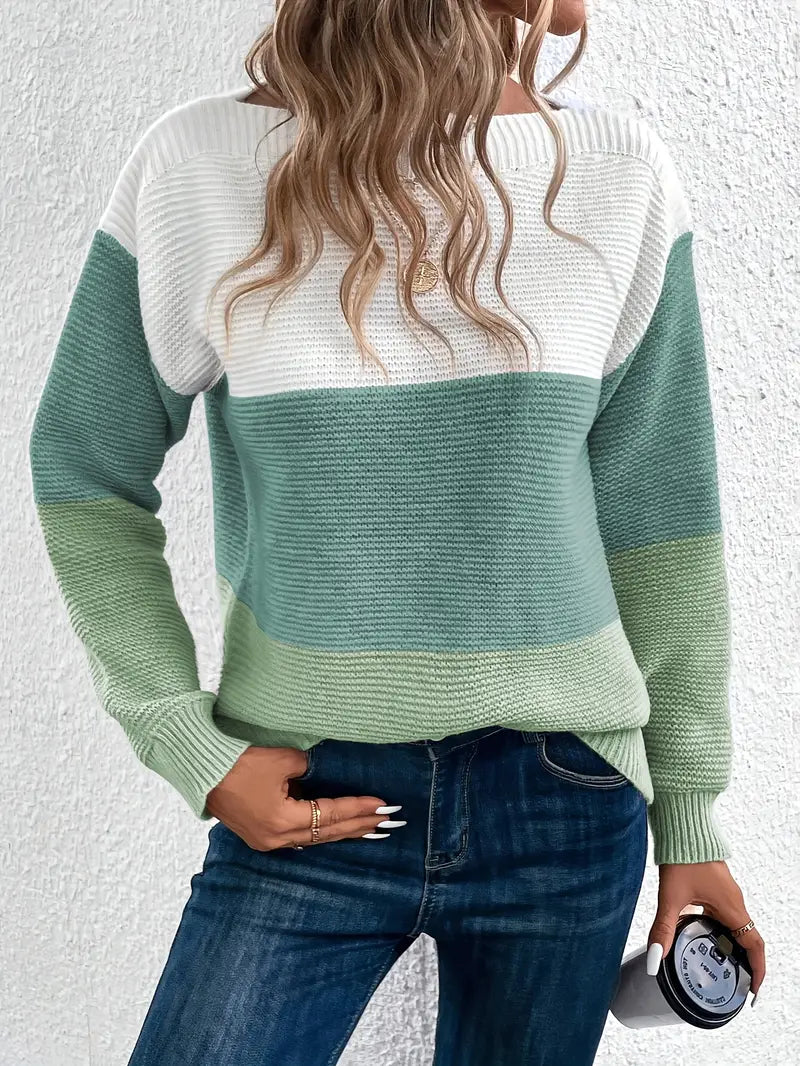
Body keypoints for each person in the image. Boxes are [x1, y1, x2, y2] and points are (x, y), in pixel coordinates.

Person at [28, 0, 766, 1062]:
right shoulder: (202, 165)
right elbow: (84, 467)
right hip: (305, 795)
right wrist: (187, 742)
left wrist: (690, 821)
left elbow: (662, 527)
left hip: (564, 805)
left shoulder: (617, 174)